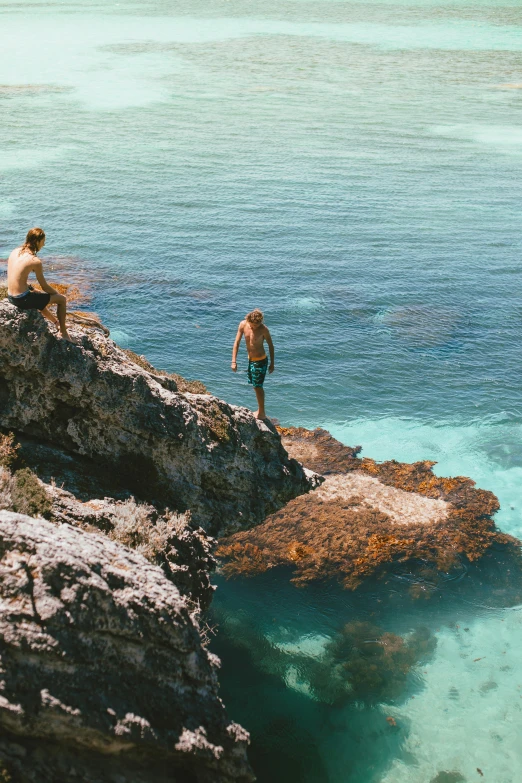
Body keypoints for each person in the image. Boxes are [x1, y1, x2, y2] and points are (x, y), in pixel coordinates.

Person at [7, 227, 72, 342]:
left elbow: (16, 277)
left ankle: (56, 323)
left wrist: (31, 289)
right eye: (43, 242)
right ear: (37, 242)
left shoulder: (15, 251)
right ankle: (64, 333)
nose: (44, 245)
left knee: (38, 297)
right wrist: (57, 296)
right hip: (22, 300)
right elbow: (45, 286)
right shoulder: (35, 261)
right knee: (62, 300)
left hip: (10, 296)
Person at [231, 308, 274, 420]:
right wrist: (233, 361)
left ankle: (262, 413)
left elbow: (270, 346)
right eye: (254, 325)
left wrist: (272, 364)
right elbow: (236, 343)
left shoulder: (264, 329)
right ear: (248, 320)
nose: (256, 327)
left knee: (258, 386)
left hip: (261, 360)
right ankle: (260, 411)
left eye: (258, 325)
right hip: (251, 360)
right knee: (255, 386)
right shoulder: (243, 325)